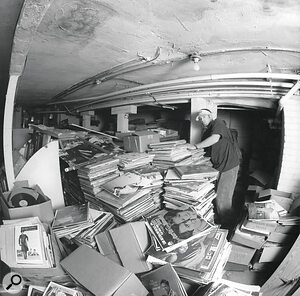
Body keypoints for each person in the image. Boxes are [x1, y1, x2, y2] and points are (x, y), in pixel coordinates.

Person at [193, 103, 240, 227]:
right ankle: (222, 218)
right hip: (219, 166)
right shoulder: (206, 132)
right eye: (200, 118)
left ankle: (228, 226)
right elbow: (206, 152)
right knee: (215, 194)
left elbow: (215, 139)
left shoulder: (218, 123)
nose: (202, 119)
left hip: (229, 166)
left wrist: (195, 146)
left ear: (210, 116)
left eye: (204, 116)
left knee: (223, 198)